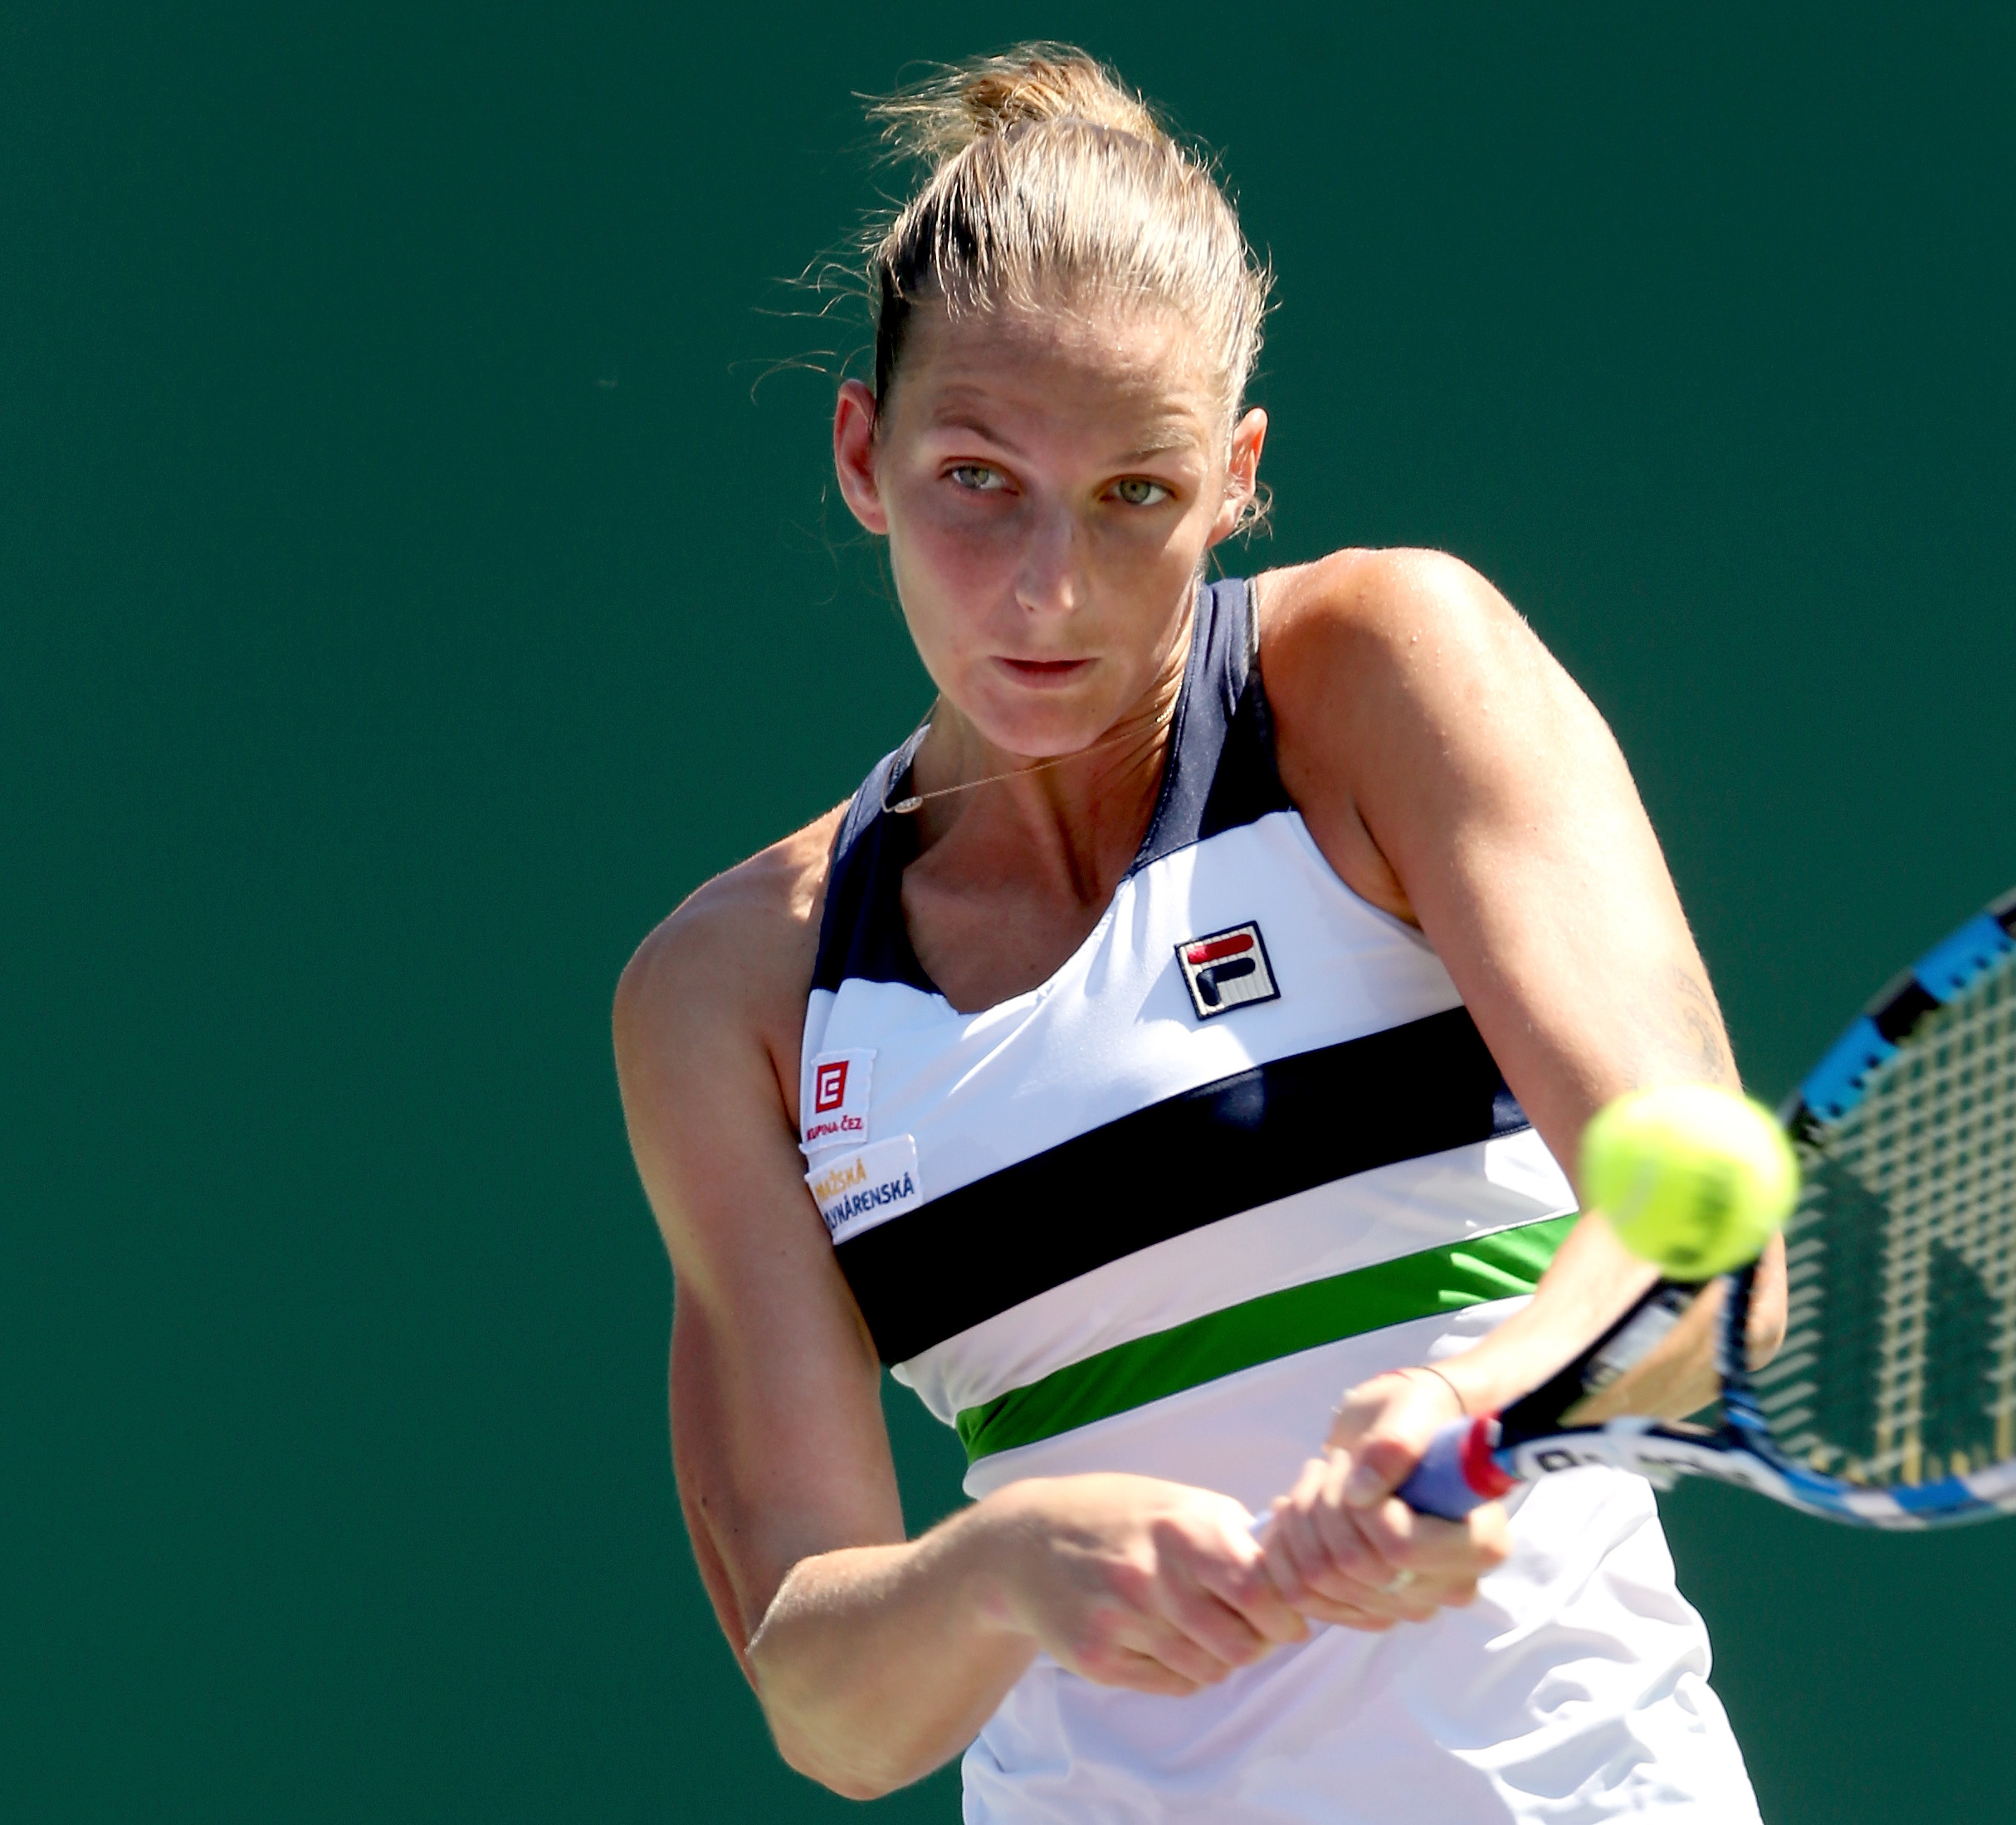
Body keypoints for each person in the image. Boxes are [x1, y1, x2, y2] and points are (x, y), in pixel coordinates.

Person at [614, 44, 1769, 1821]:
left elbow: (1711, 1247)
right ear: (864, 450)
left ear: (1236, 476)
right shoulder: (734, 994)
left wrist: (1482, 1396)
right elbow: (828, 1698)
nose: (1045, 592)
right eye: (976, 477)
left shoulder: (1379, 673)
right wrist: (1001, 1569)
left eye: (1133, 494)